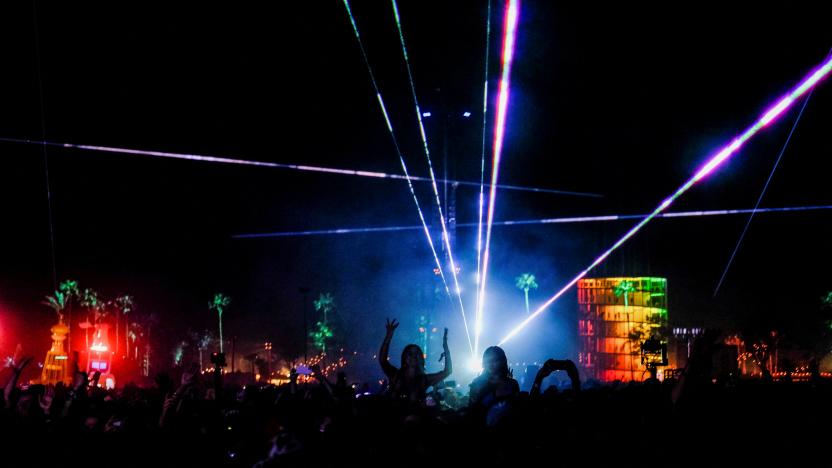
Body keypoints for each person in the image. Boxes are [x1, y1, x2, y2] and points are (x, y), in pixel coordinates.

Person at [378, 318, 452, 406]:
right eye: (410, 353)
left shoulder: (424, 380)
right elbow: (383, 361)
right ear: (405, 358)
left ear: (420, 358)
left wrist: (446, 348)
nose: (413, 356)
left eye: (416, 353)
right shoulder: (396, 375)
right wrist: (388, 336)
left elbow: (447, 371)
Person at [468, 346, 519, 427]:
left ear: (502, 361)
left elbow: (516, 410)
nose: (490, 364)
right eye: (488, 360)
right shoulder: (477, 383)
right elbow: (471, 412)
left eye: (495, 360)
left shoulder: (512, 383)